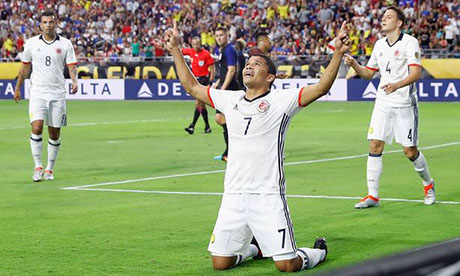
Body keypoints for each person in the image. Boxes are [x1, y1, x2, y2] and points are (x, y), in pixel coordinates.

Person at [164, 21, 350, 272]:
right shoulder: (231, 100)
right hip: (234, 195)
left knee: (287, 264)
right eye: (248, 64)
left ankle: (317, 251)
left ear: (270, 77)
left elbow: (321, 87)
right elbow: (192, 87)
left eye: (257, 65)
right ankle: (256, 248)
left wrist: (337, 52)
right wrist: (175, 48)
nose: (249, 67)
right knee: (221, 263)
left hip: (267, 196)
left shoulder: (282, 100)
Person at [344, 6, 436, 208]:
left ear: (399, 22)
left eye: (388, 17)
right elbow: (368, 74)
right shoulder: (378, 45)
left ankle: (428, 184)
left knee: (410, 152)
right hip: (383, 102)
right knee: (375, 144)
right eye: (383, 16)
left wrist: (396, 85)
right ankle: (373, 196)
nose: (383, 19)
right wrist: (354, 64)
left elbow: (415, 74)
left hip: (404, 103)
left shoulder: (409, 42)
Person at [14, 10, 78, 182]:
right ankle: (37, 166)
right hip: (38, 92)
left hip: (57, 93)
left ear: (55, 23)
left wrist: (74, 81)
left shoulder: (66, 44)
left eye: (51, 22)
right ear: (40, 25)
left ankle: (49, 169)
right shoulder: (32, 44)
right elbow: (25, 68)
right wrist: (18, 87)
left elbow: (71, 66)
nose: (48, 25)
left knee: (54, 132)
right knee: (36, 127)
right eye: (45, 22)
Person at [213, 26, 240, 162]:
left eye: (221, 35)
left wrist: (223, 89)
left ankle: (230, 152)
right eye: (217, 35)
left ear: (227, 36)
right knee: (222, 119)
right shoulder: (221, 50)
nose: (219, 38)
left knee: (221, 118)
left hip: (230, 89)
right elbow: (224, 71)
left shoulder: (229, 50)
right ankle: (229, 151)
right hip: (225, 87)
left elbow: (231, 70)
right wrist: (217, 82)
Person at [182, 36, 215, 134]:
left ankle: (192, 126)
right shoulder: (191, 51)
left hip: (203, 80)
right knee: (202, 105)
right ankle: (207, 127)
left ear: (200, 44)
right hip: (194, 80)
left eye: (197, 44)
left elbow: (212, 69)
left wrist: (210, 82)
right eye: (194, 44)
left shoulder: (206, 54)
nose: (196, 46)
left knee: (198, 103)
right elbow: (179, 51)